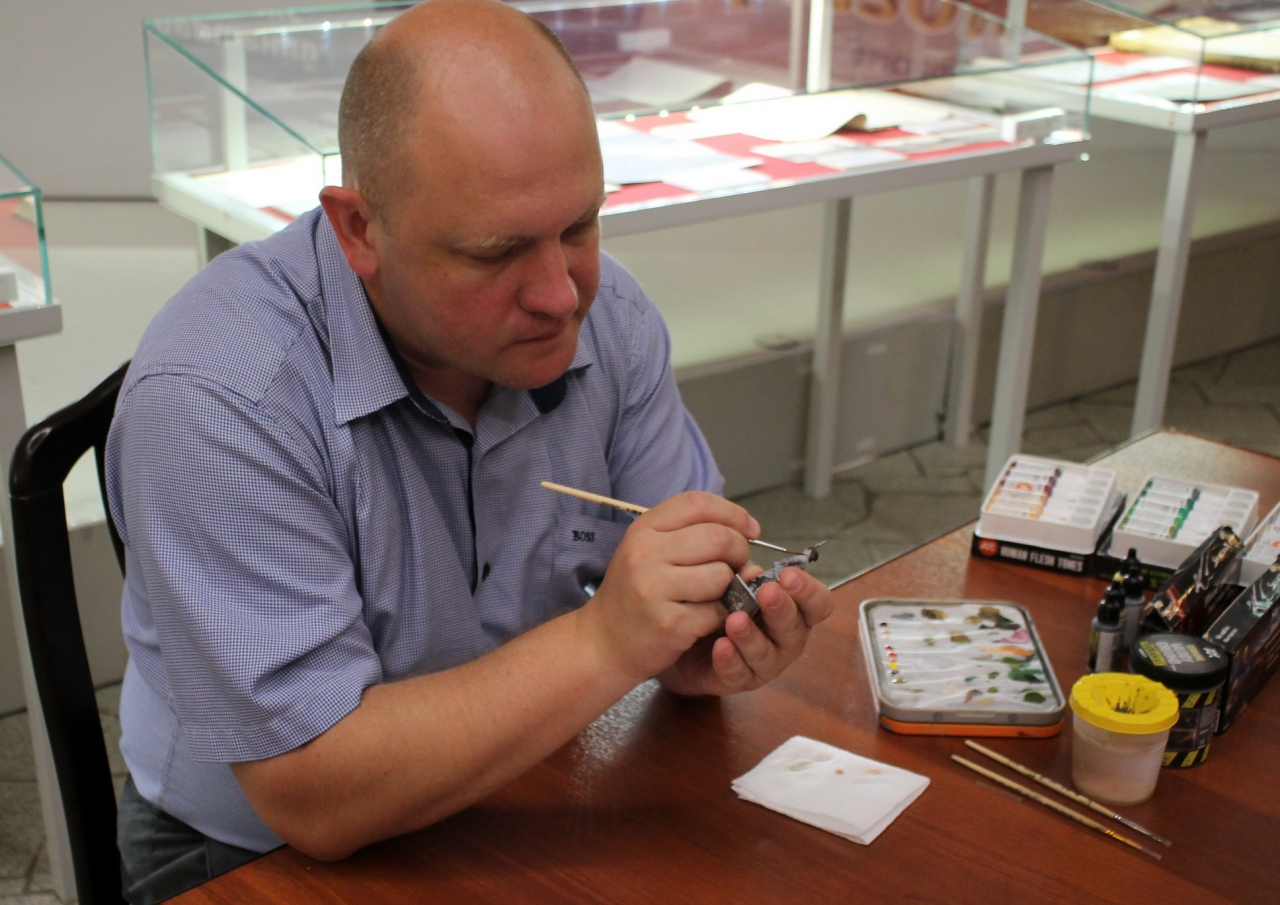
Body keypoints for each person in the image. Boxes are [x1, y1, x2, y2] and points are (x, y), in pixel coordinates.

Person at [106, 0, 833, 900]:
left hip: (516, 780)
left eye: (580, 227)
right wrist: (608, 642)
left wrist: (702, 637)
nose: (560, 295)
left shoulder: (609, 316)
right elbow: (314, 793)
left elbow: (684, 600)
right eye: (497, 252)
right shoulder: (221, 396)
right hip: (258, 852)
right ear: (359, 230)